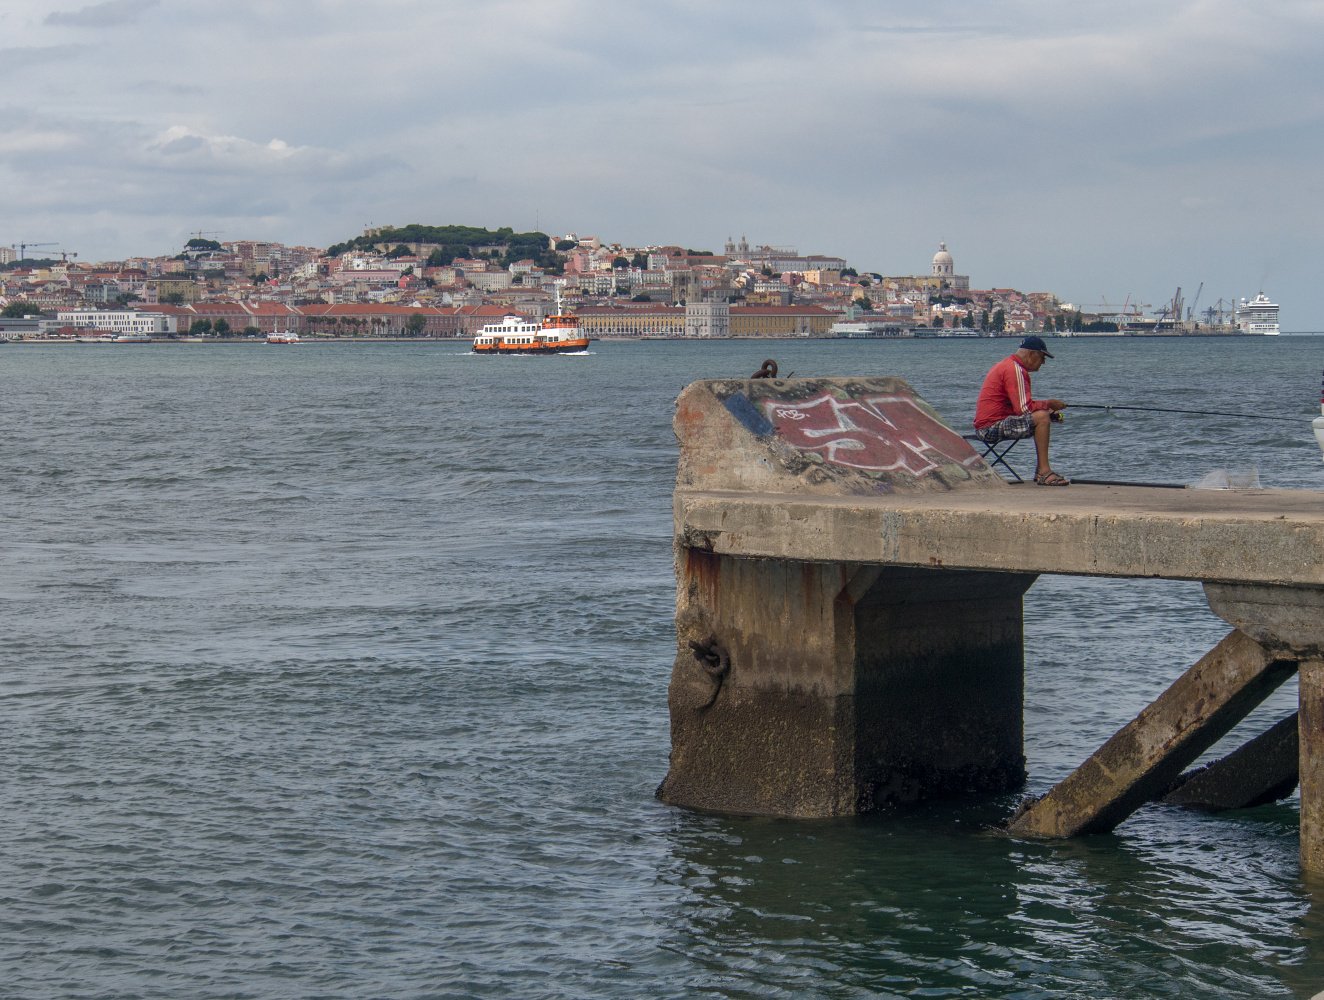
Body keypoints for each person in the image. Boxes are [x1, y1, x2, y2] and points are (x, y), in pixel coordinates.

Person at [973, 335, 1069, 485]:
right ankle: (1044, 472)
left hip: (990, 425)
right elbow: (1024, 409)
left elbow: (1017, 408)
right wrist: (1049, 404)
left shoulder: (1007, 365)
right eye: (1043, 357)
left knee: (1044, 416)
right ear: (1032, 354)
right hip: (989, 428)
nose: (1043, 362)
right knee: (1042, 418)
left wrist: (1050, 413)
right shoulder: (1015, 369)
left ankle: (1040, 471)